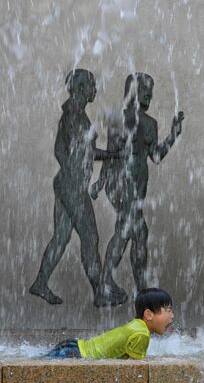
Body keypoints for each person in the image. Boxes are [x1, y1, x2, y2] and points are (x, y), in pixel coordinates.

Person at [29, 69, 122, 306]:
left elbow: (62, 151)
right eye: (92, 86)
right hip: (72, 187)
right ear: (81, 89)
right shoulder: (75, 116)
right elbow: (86, 152)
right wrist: (114, 154)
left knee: (61, 238)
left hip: (65, 183)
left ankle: (40, 282)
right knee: (90, 237)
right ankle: (100, 294)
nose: (95, 90)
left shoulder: (72, 113)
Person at [91, 73, 184, 307]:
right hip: (122, 183)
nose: (149, 94)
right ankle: (111, 286)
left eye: (150, 89)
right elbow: (113, 154)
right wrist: (101, 182)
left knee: (138, 233)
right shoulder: (121, 119)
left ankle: (139, 292)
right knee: (128, 229)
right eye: (144, 89)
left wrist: (173, 134)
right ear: (132, 91)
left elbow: (156, 156)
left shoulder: (150, 123)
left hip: (137, 185)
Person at [47, 288, 174, 359]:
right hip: (74, 355)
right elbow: (135, 372)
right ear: (148, 315)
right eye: (168, 311)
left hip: (74, 346)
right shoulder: (142, 335)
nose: (172, 316)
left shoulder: (136, 325)